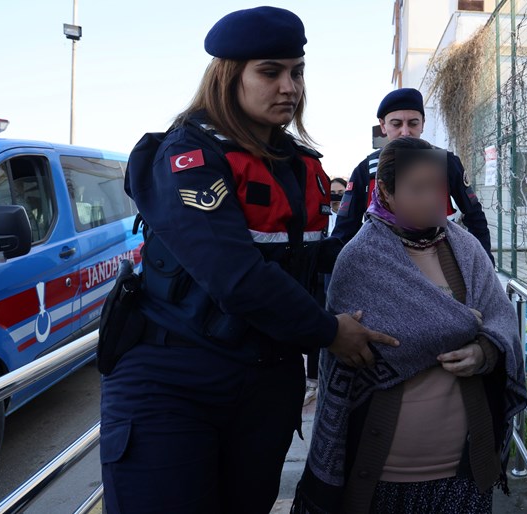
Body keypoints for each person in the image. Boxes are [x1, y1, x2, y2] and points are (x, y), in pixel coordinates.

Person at [98, 7, 398, 514]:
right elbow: (234, 277)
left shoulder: (296, 162)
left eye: (297, 72)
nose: (290, 86)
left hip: (264, 385)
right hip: (173, 382)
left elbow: (310, 257)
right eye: (270, 71)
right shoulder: (187, 158)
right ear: (228, 75)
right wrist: (331, 332)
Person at [293, 137, 527, 514]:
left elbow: (500, 320)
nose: (433, 199)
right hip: (381, 473)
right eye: (417, 189)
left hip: (463, 474)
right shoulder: (358, 261)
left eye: (437, 187)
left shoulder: (466, 249)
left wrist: (485, 351)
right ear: (385, 191)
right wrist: (462, 324)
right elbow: (354, 357)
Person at [331, 88, 494, 263]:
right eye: (396, 124)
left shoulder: (447, 163)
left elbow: (474, 216)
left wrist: (485, 264)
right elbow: (344, 232)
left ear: (423, 123)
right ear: (382, 126)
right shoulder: (366, 171)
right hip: (383, 269)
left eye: (413, 123)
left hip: (440, 268)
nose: (406, 131)